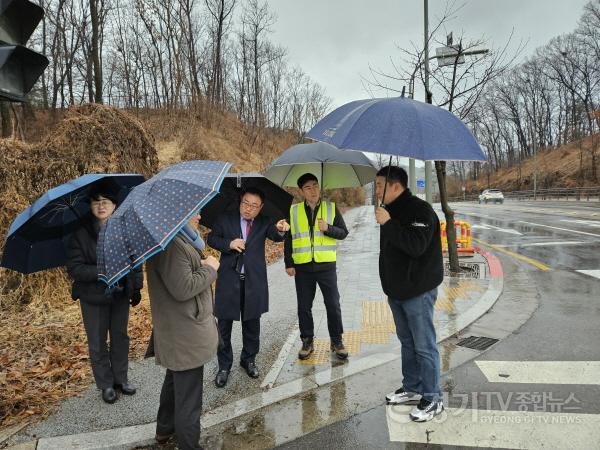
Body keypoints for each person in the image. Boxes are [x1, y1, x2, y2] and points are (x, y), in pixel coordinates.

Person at [374, 166, 444, 422]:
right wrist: (388, 220)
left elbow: (415, 246)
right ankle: (413, 387)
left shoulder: (420, 210)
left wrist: (388, 223)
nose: (376, 190)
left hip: (418, 290)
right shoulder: (389, 210)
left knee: (424, 345)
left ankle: (434, 397)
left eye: (380, 185)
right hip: (397, 290)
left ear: (395, 185)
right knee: (407, 341)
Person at [146, 212, 221, 450]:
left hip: (180, 328)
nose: (199, 215)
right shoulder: (171, 245)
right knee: (189, 397)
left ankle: (165, 430)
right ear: (178, 213)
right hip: (184, 332)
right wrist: (210, 268)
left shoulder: (179, 238)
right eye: (193, 211)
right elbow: (183, 287)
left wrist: (202, 264)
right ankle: (189, 445)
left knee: (175, 380)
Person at [66, 187, 143, 404]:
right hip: (93, 297)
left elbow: (135, 261)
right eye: (96, 202)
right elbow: (75, 269)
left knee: (120, 337)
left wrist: (136, 287)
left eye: (106, 202)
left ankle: (121, 379)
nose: (101, 206)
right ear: (90, 205)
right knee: (98, 342)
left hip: (119, 294)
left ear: (115, 206)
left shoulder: (123, 230)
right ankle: (105, 384)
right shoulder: (80, 233)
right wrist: (101, 271)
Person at [207, 187, 289, 388]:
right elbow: (211, 238)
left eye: (254, 205)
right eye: (245, 203)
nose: (248, 208)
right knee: (224, 325)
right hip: (228, 280)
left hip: (253, 281)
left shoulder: (264, 221)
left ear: (260, 207)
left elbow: (276, 236)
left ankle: (249, 359)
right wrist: (229, 243)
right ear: (240, 201)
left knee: (252, 323)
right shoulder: (225, 218)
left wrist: (280, 229)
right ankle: (224, 366)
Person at [284, 173, 349, 360]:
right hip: (303, 267)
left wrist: (328, 228)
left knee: (333, 305)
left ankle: (336, 341)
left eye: (315, 186)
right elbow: (288, 239)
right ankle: (307, 340)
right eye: (308, 188)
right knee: (304, 306)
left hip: (326, 266)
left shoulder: (331, 208)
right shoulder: (293, 211)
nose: (313, 190)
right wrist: (289, 263)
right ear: (301, 191)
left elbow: (343, 233)